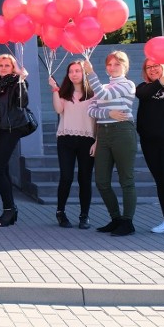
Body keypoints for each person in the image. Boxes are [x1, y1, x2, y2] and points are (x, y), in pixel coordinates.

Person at [84, 51, 138, 236]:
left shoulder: (128, 84)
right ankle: (116, 218)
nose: (113, 67)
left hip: (123, 131)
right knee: (101, 181)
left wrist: (90, 73)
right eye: (110, 64)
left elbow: (103, 96)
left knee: (126, 180)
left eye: (117, 64)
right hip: (104, 133)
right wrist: (108, 113)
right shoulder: (104, 86)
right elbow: (91, 110)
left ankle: (127, 222)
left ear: (125, 66)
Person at [48, 61, 96, 229]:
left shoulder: (93, 93)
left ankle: (84, 215)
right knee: (66, 177)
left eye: (78, 71)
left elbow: (98, 120)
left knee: (85, 178)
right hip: (66, 138)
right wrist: (55, 90)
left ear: (84, 73)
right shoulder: (64, 92)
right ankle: (60, 212)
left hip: (87, 140)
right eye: (71, 71)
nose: (74, 74)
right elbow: (58, 110)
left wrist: (97, 141)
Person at [0, 54, 29, 227]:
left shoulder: (17, 83)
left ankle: (9, 209)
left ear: (13, 68)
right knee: (1, 169)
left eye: (7, 65)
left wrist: (21, 79)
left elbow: (23, 103)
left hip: (10, 130)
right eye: (1, 65)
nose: (3, 68)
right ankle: (9, 209)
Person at [136, 59, 164, 236]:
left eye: (156, 65)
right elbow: (143, 95)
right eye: (148, 67)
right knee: (161, 180)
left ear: (163, 67)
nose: (152, 69)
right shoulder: (143, 87)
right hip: (149, 142)